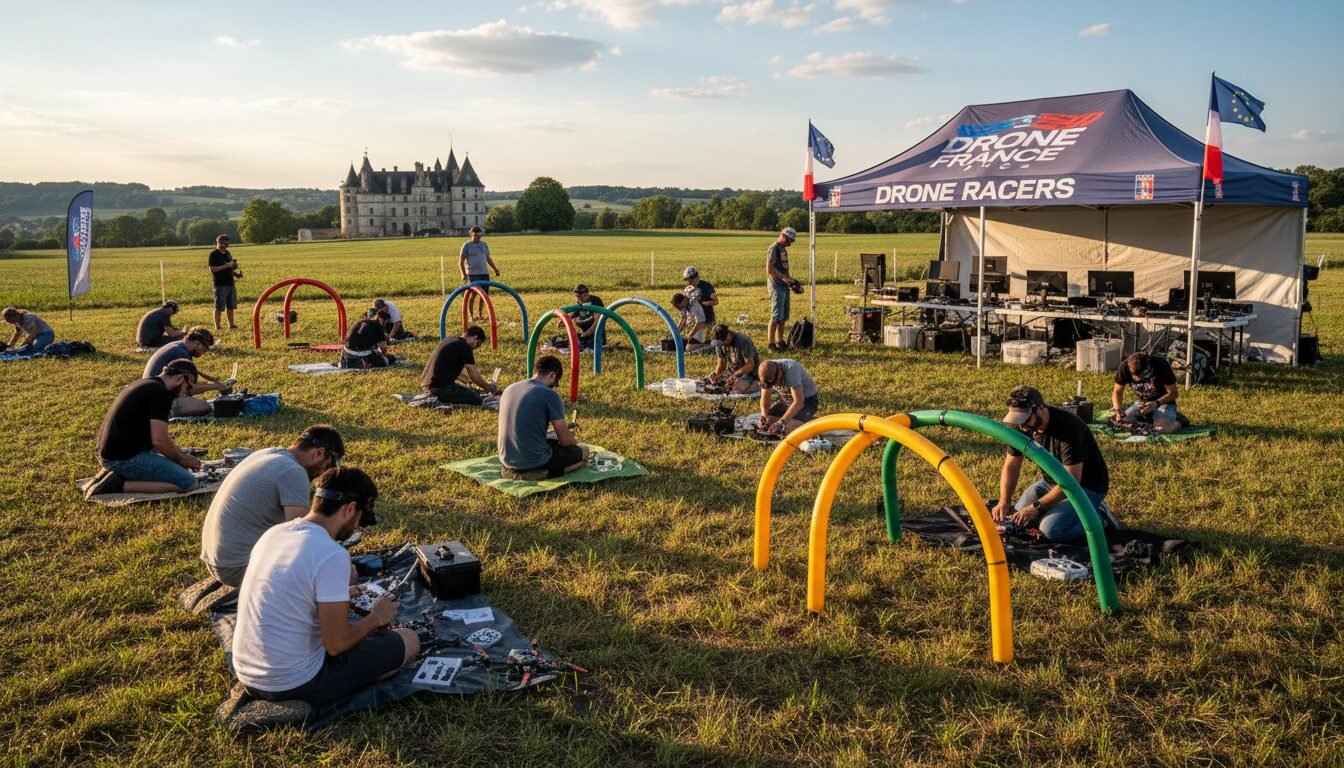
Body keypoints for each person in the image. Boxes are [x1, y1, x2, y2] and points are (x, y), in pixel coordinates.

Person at [231, 466, 419, 709]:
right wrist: (375, 618)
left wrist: (339, 595)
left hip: (247, 672)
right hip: (294, 684)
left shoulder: (274, 533)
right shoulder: (332, 554)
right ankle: (301, 704)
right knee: (409, 640)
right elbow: (337, 644)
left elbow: (292, 588)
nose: (356, 526)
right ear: (350, 509)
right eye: (359, 518)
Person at [200, 426, 345, 587]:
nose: (321, 475)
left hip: (215, 560)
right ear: (318, 453)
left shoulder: (268, 453)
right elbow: (303, 539)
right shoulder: (294, 472)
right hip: (238, 568)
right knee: (324, 576)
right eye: (326, 467)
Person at [993, 385, 1116, 542]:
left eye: (1025, 419)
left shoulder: (1070, 429)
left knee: (1052, 531)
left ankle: (1099, 516)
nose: (1022, 426)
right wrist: (1004, 501)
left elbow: (1071, 482)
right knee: (1021, 519)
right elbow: (1011, 465)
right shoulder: (1022, 427)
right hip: (1049, 483)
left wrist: (1037, 507)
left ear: (1041, 408)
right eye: (1017, 421)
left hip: (1084, 487)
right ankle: (1054, 512)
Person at [86, 358, 205, 498]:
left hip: (113, 451)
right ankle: (118, 484)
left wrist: (178, 453)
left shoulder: (146, 383)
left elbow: (158, 438)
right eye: (188, 388)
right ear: (179, 378)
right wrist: (182, 459)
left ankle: (117, 475)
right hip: (123, 459)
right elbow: (159, 441)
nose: (184, 393)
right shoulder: (161, 394)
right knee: (188, 483)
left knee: (175, 461)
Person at [497, 355, 589, 480]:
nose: (554, 386)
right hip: (535, 461)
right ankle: (547, 473)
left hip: (506, 460)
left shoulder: (509, 388)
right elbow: (565, 441)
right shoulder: (549, 394)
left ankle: (523, 471)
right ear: (552, 375)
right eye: (555, 383)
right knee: (584, 452)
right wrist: (574, 443)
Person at [143, 327, 234, 417]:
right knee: (204, 407)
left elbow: (182, 379)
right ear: (197, 344)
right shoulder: (182, 354)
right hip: (158, 400)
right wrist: (216, 386)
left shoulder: (177, 346)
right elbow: (188, 390)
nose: (203, 353)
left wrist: (210, 381)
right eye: (204, 350)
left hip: (150, 392)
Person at [421, 326, 500, 406]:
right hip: (439, 389)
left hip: (426, 384)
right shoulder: (465, 347)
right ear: (475, 338)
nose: (475, 348)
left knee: (469, 392)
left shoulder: (449, 340)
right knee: (476, 399)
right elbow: (474, 376)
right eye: (478, 344)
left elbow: (462, 372)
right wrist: (487, 387)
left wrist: (479, 384)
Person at [1112, 352, 1185, 433]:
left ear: (1148, 366)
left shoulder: (1161, 364)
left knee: (1162, 428)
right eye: (1135, 375)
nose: (1138, 378)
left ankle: (1179, 421)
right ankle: (1150, 418)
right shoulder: (1124, 366)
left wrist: (1156, 403)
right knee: (1122, 424)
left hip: (1163, 402)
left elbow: (1174, 393)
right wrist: (1118, 410)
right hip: (1143, 403)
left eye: (1142, 375)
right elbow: (1117, 391)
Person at [757, 358, 819, 435]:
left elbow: (799, 402)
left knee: (785, 429)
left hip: (807, 400)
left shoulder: (791, 370)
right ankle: (799, 420)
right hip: (787, 400)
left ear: (779, 372)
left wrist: (781, 422)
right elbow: (765, 399)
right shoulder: (767, 372)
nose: (776, 385)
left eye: (775, 382)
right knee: (768, 421)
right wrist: (763, 417)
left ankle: (814, 423)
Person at [766, 228, 802, 351]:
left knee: (784, 317)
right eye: (789, 241)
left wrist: (791, 280)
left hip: (784, 286)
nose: (790, 244)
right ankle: (771, 344)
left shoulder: (783, 249)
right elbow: (769, 269)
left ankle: (780, 341)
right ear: (783, 236)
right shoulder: (774, 248)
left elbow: (782, 269)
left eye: (791, 241)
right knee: (776, 316)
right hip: (776, 287)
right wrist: (783, 278)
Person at [459, 226, 500, 321]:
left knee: (484, 296)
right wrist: (463, 274)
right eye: (475, 236)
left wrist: (495, 269)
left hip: (484, 274)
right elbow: (461, 261)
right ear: (471, 235)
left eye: (479, 236)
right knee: (472, 296)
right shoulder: (467, 246)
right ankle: (471, 316)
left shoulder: (484, 245)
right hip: (473, 275)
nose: (478, 237)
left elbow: (488, 259)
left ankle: (480, 315)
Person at [708, 324, 761, 394]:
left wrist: (735, 376)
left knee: (737, 388)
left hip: (749, 372)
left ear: (729, 335)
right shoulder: (719, 343)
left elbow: (750, 365)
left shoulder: (743, 341)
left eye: (723, 342)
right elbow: (721, 364)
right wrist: (716, 374)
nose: (722, 345)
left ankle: (760, 385)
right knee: (710, 381)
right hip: (732, 371)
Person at [207, 234, 240, 330]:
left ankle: (231, 324)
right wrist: (227, 265)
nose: (225, 245)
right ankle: (217, 326)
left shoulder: (227, 253)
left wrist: (235, 269)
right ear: (218, 243)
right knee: (219, 307)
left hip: (230, 283)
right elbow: (212, 269)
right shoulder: (213, 254)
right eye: (223, 243)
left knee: (231, 306)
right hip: (220, 285)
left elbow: (230, 267)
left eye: (226, 243)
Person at [569, 284, 606, 349]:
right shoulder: (580, 303)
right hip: (585, 334)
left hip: (596, 336)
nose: (578, 298)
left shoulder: (595, 301)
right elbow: (571, 316)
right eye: (576, 296)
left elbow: (598, 323)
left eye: (579, 296)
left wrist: (585, 335)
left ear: (586, 294)